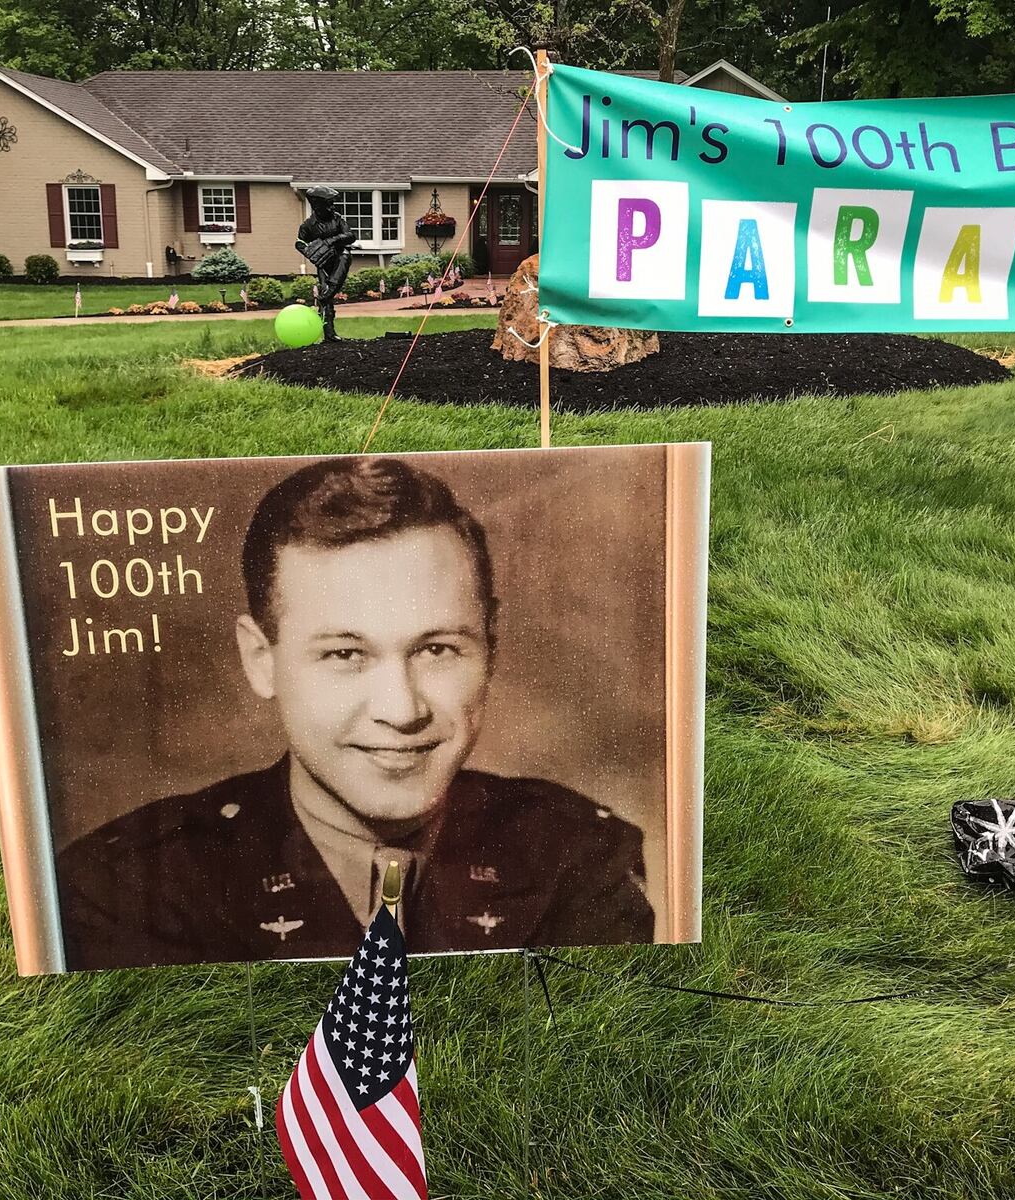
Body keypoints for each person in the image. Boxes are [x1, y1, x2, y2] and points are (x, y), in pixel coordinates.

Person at [56, 457, 654, 969]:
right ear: (261, 660)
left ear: (490, 647)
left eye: (438, 649)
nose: (402, 711)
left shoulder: (578, 854)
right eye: (345, 653)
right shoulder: (129, 886)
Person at [293, 186, 354, 342]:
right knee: (326, 296)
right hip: (323, 262)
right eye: (329, 204)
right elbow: (299, 242)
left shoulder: (337, 219)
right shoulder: (307, 225)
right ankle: (329, 334)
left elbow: (350, 235)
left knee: (344, 256)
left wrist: (331, 241)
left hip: (340, 257)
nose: (332, 207)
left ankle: (331, 290)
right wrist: (309, 252)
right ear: (317, 205)